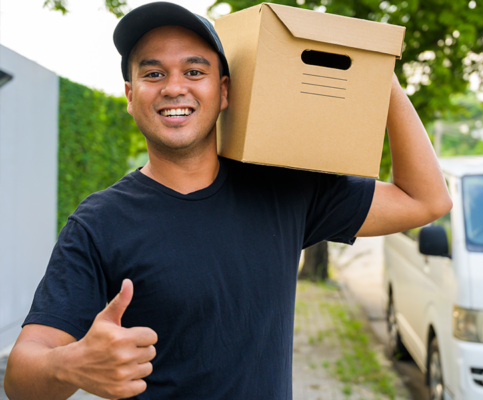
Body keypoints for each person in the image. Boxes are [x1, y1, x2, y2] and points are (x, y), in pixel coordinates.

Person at [4, 2, 451, 400]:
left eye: (194, 72)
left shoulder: (282, 189)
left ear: (224, 92)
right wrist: (72, 364)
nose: (174, 87)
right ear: (130, 95)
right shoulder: (98, 223)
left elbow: (424, 199)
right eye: (153, 73)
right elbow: (21, 376)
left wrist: (378, 71)